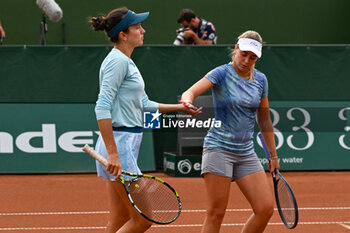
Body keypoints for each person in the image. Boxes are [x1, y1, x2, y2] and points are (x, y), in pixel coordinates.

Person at [90, 7, 201, 233]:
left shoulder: (126, 62)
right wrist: (112, 152)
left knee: (120, 217)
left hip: (123, 143)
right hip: (119, 144)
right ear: (123, 34)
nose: (143, 30)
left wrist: (180, 108)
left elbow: (145, 104)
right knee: (144, 219)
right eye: (137, 27)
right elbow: (102, 106)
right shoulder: (117, 62)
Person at [180, 30, 280, 233]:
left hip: (246, 153)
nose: (246, 60)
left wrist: (273, 155)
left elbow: (264, 119)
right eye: (244, 54)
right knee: (216, 214)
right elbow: (191, 91)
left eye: (252, 57)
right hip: (218, 149)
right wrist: (187, 101)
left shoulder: (261, 80)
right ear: (235, 49)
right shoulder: (221, 73)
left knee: (265, 209)